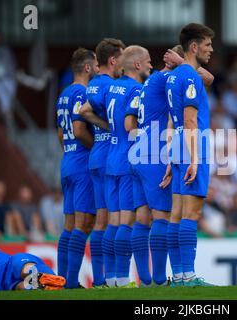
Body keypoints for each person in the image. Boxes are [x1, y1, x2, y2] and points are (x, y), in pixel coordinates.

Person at [165, 23, 215, 286]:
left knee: (176, 213)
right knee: (190, 214)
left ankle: (179, 276)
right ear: (194, 47)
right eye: (207, 44)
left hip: (177, 147)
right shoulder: (191, 76)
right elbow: (190, 120)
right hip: (193, 146)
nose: (211, 49)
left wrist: (171, 156)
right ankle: (189, 275)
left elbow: (173, 122)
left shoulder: (173, 76)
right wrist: (195, 159)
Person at [103, 45, 152, 288]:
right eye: (149, 62)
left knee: (114, 222)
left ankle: (111, 278)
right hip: (125, 160)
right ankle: (122, 279)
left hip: (110, 156)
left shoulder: (112, 86)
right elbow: (128, 124)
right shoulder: (136, 89)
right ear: (137, 65)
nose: (151, 66)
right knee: (126, 222)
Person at [79, 38, 126, 288]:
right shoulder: (111, 86)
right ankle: (113, 277)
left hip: (96, 154)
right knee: (114, 219)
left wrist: (102, 126)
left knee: (101, 219)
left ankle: (100, 279)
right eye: (122, 58)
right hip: (110, 156)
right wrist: (112, 127)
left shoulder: (94, 85)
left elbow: (84, 111)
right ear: (113, 60)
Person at [55, 48, 98, 289]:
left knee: (69, 226)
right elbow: (80, 130)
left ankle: (62, 280)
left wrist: (71, 151)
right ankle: (70, 283)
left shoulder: (64, 94)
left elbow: (62, 134)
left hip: (67, 162)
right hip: (82, 164)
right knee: (83, 225)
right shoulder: (83, 93)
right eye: (96, 65)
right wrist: (95, 150)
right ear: (88, 68)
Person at [0, 248, 65, 291]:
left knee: (26, 270)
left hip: (12, 263)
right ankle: (48, 286)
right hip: (12, 285)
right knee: (22, 287)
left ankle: (53, 280)